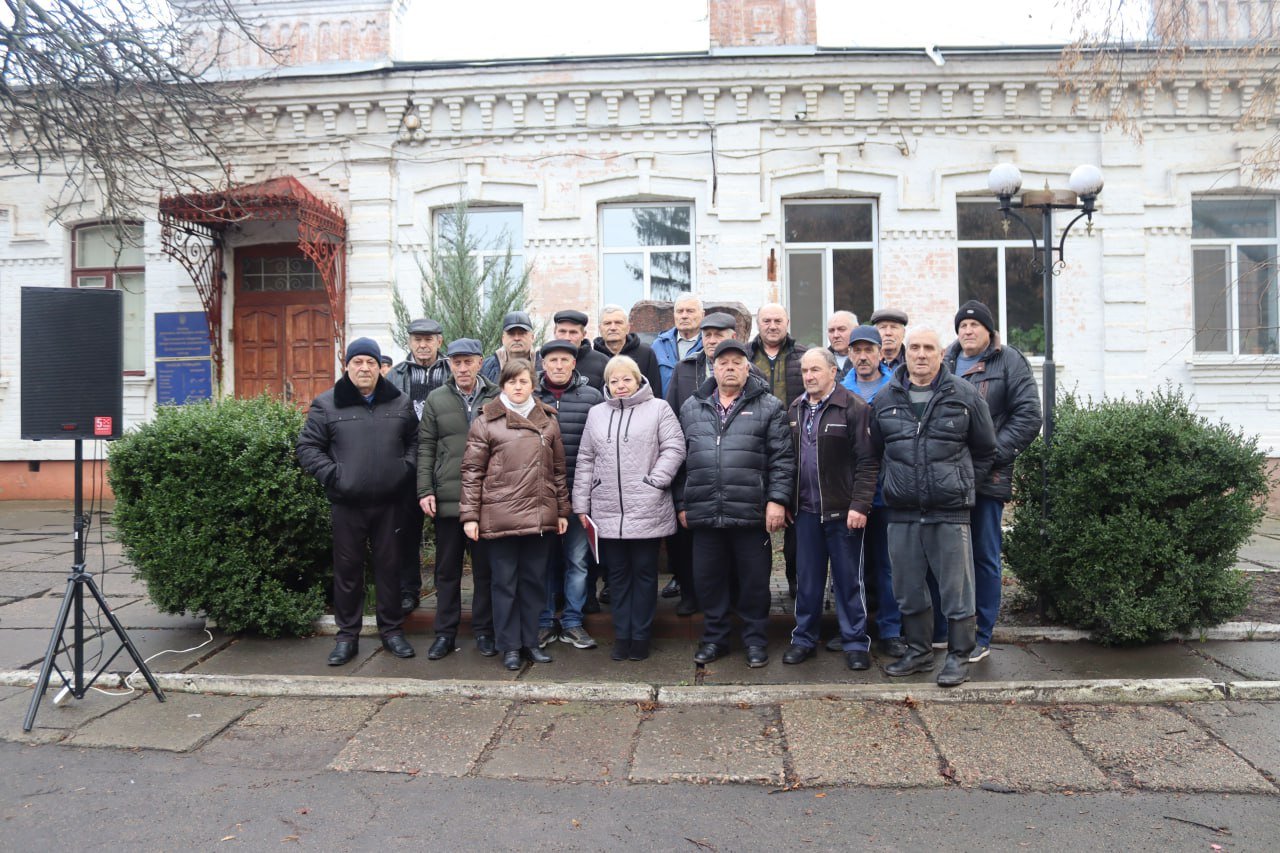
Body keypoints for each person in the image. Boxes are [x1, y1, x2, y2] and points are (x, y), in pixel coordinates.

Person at [869, 325, 997, 687]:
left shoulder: (964, 395)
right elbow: (875, 452)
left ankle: (958, 657)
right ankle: (919, 652)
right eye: (915, 348)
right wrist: (892, 483)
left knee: (957, 591)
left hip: (949, 511)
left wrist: (961, 482)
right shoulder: (885, 399)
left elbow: (986, 449)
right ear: (904, 353)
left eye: (929, 348)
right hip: (902, 512)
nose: (921, 354)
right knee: (908, 589)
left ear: (942, 354)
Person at [297, 337, 417, 665]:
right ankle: (347, 637)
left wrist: (403, 469)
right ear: (347, 366)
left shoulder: (400, 402)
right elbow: (307, 447)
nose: (365, 368)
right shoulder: (327, 404)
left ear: (380, 367)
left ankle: (392, 631)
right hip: (347, 504)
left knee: (390, 570)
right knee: (348, 571)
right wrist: (335, 475)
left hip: (390, 504)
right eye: (358, 362)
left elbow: (416, 441)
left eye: (371, 362)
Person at [676, 339, 795, 668]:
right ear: (713, 369)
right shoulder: (692, 407)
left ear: (747, 368)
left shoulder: (769, 406)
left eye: (736, 362)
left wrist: (777, 500)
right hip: (705, 511)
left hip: (750, 511)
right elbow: (679, 460)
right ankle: (715, 639)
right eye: (723, 362)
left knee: (755, 582)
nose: (729, 368)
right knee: (708, 580)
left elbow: (782, 459)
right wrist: (682, 503)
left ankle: (755, 640)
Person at [943, 300, 1041, 664]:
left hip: (987, 479)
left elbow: (1028, 416)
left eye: (974, 325)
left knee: (984, 556)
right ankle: (950, 630)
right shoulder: (946, 360)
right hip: (948, 479)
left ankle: (981, 634)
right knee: (949, 556)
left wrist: (989, 456)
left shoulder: (1009, 361)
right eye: (962, 326)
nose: (967, 331)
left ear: (988, 330)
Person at [573, 355, 686, 661]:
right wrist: (581, 504)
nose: (620, 385)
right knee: (618, 576)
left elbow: (675, 447)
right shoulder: (597, 414)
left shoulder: (658, 408)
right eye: (614, 380)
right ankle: (622, 635)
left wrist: (656, 481)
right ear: (607, 384)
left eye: (626, 379)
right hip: (607, 508)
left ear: (638, 380)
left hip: (647, 506)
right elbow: (586, 459)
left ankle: (641, 636)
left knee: (645, 574)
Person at [460, 359, 570, 671]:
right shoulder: (486, 421)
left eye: (523, 381)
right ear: (503, 385)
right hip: (500, 516)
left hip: (539, 516)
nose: (518, 387)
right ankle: (509, 646)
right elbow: (471, 472)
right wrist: (470, 516)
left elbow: (558, 470)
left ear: (533, 384)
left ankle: (530, 641)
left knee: (533, 583)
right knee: (504, 584)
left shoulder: (548, 421)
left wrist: (562, 510)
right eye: (511, 382)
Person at [784, 348, 879, 670]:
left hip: (844, 513)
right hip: (806, 512)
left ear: (833, 372)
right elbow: (788, 461)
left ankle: (855, 642)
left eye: (815, 370)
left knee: (848, 581)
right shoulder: (795, 409)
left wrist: (860, 504)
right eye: (804, 371)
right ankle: (803, 640)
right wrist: (787, 501)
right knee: (807, 581)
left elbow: (868, 462)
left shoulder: (854, 407)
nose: (809, 376)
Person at [417, 338, 500, 660]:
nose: (462, 368)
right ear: (449, 364)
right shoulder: (436, 399)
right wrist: (425, 489)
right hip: (448, 499)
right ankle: (444, 634)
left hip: (486, 500)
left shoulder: (497, 396)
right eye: (456, 362)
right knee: (447, 572)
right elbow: (426, 446)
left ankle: (484, 631)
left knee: (485, 572)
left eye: (468, 362)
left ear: (480, 362)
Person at [663, 311, 743, 616]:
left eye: (718, 335)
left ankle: (730, 598)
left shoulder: (744, 370)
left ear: (732, 337)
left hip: (732, 467)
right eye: (707, 335)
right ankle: (689, 593)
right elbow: (671, 414)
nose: (711, 340)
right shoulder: (685, 368)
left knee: (729, 542)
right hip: (692, 461)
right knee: (686, 538)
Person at [837, 326, 903, 659]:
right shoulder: (839, 390)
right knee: (852, 568)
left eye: (869, 350)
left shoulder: (897, 388)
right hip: (851, 495)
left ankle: (891, 631)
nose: (863, 357)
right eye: (857, 350)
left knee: (889, 566)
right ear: (849, 354)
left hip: (889, 492)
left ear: (881, 353)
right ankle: (854, 630)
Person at [534, 339, 604, 651]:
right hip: (540, 495)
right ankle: (545, 621)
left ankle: (573, 621)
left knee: (577, 561)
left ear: (574, 364)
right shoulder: (531, 397)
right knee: (544, 561)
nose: (559, 365)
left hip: (580, 494)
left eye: (565, 360)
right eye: (553, 360)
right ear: (543, 364)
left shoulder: (591, 397)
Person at [388, 316, 453, 613]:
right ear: (409, 342)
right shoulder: (395, 376)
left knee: (448, 534)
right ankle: (408, 591)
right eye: (417, 339)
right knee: (406, 531)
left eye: (428, 339)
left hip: (446, 462)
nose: (423, 345)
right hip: (408, 463)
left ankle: (445, 591)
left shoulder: (452, 370)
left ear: (439, 341)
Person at [747, 303, 807, 600]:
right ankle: (756, 589)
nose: (772, 325)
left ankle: (795, 581)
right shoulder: (745, 357)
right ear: (758, 323)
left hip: (795, 448)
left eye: (778, 320)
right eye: (766, 320)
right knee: (754, 522)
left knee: (796, 522)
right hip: (752, 449)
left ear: (788, 322)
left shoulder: (803, 356)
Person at [593, 305, 663, 391]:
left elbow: (654, 391)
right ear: (600, 329)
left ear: (628, 327)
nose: (613, 328)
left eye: (618, 323)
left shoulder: (646, 354)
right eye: (607, 323)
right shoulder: (593, 357)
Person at [652, 293, 704, 396]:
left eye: (690, 311)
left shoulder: (709, 345)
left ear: (702, 315)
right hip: (665, 405)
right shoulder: (659, 345)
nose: (684, 316)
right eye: (680, 311)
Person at [551, 309, 609, 391]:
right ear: (554, 332)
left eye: (573, 332)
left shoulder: (603, 363)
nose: (567, 337)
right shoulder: (539, 361)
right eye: (562, 331)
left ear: (583, 335)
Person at [480, 311, 540, 383]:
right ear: (503, 339)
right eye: (511, 334)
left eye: (522, 333)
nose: (516, 338)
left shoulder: (544, 365)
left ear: (532, 338)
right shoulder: (486, 367)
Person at [869, 307, 908, 372]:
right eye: (883, 327)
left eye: (894, 327)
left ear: (903, 332)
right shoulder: (865, 360)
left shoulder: (913, 361)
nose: (888, 333)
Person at [826, 310, 859, 381]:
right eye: (831, 330)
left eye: (841, 329)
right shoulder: (822, 360)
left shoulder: (867, 357)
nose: (835, 335)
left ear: (856, 330)